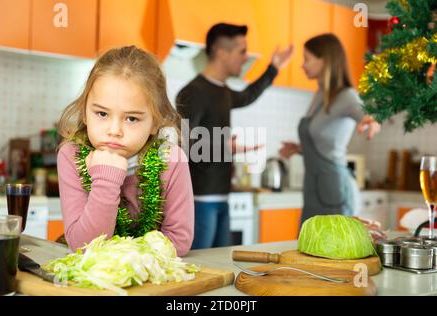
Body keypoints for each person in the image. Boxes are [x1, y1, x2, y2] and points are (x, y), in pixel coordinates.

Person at [57, 46, 194, 256]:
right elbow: (83, 246)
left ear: (155, 123)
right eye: (102, 113)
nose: (114, 131)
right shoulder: (71, 155)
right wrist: (106, 181)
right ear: (85, 112)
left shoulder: (172, 160)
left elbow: (179, 241)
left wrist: (127, 261)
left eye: (132, 118)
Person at [176, 23, 294, 249]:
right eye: (242, 51)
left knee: (222, 265)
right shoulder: (192, 92)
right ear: (222, 53)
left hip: (222, 196)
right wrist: (226, 146)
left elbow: (248, 95)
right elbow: (182, 143)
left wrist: (274, 67)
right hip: (200, 200)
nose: (245, 57)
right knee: (200, 269)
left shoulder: (223, 91)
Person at [279, 33, 381, 224]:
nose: (302, 65)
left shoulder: (347, 96)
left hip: (333, 190)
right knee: (308, 247)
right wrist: (300, 148)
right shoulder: (320, 94)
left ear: (324, 60)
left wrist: (371, 121)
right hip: (312, 189)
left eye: (306, 59)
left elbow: (366, 115)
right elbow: (324, 141)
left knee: (334, 250)